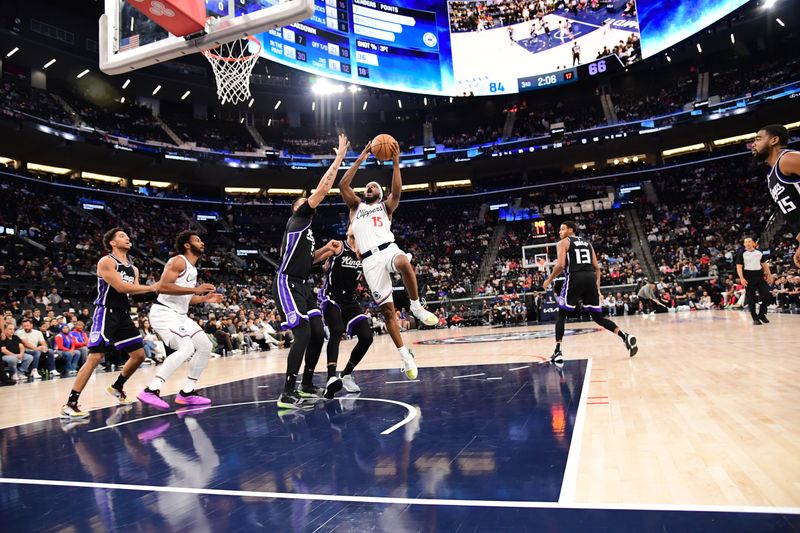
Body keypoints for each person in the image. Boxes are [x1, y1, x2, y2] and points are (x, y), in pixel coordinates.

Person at [339, 141, 438, 380]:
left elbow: (398, 191)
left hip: (387, 249)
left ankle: (416, 306)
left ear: (381, 193)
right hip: (370, 262)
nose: (369, 187)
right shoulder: (356, 207)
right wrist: (361, 157)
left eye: (374, 186)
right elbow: (342, 184)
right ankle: (405, 355)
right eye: (367, 186)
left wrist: (395, 162)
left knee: (404, 262)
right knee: (388, 312)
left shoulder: (386, 207)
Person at [274, 133, 349, 410]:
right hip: (287, 283)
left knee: (319, 332)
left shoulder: (307, 233)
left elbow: (310, 260)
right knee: (303, 334)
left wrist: (326, 251)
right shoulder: (298, 218)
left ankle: (306, 384)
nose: (307, 202)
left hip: (303, 283)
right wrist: (339, 158)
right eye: (302, 201)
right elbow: (321, 189)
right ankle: (286, 392)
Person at [61, 228, 160, 420]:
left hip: (123, 314)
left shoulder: (134, 268)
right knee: (95, 356)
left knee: (139, 355)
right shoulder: (106, 261)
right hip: (105, 311)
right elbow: (121, 287)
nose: (127, 238)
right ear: (113, 243)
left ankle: (117, 387)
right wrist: (152, 286)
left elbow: (136, 294)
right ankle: (70, 404)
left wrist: (159, 290)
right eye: (122, 236)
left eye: (127, 236)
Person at [139, 231, 222, 409]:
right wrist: (196, 290)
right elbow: (163, 287)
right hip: (164, 312)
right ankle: (151, 390)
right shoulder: (178, 261)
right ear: (187, 245)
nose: (202, 243)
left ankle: (187, 393)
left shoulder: (193, 268)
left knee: (205, 346)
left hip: (179, 314)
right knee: (186, 347)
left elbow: (185, 297)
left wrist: (204, 299)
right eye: (197, 240)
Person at [542, 221, 638, 364]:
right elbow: (597, 267)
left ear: (571, 230)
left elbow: (561, 265)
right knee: (598, 317)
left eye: (562, 229)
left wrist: (549, 279)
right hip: (590, 277)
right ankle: (625, 337)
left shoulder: (563, 243)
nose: (559, 232)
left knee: (561, 314)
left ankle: (558, 352)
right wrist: (597, 286)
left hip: (575, 277)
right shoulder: (588, 243)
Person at [318, 226, 374, 396]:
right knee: (336, 330)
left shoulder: (365, 253)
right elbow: (315, 260)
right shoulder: (338, 246)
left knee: (367, 337)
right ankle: (331, 378)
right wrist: (324, 260)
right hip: (331, 296)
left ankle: (346, 374)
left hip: (350, 299)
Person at [752, 124, 800, 268]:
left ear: (774, 140)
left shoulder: (787, 159)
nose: (753, 144)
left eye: (758, 139)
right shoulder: (771, 176)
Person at [735, 236, 774, 325]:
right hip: (748, 276)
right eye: (746, 242)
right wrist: (742, 278)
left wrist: (769, 275)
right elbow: (739, 267)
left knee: (766, 293)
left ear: (753, 243)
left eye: (749, 241)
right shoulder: (742, 253)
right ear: (744, 244)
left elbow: (764, 264)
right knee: (751, 298)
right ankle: (755, 318)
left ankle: (762, 314)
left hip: (759, 275)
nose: (747, 243)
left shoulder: (759, 252)